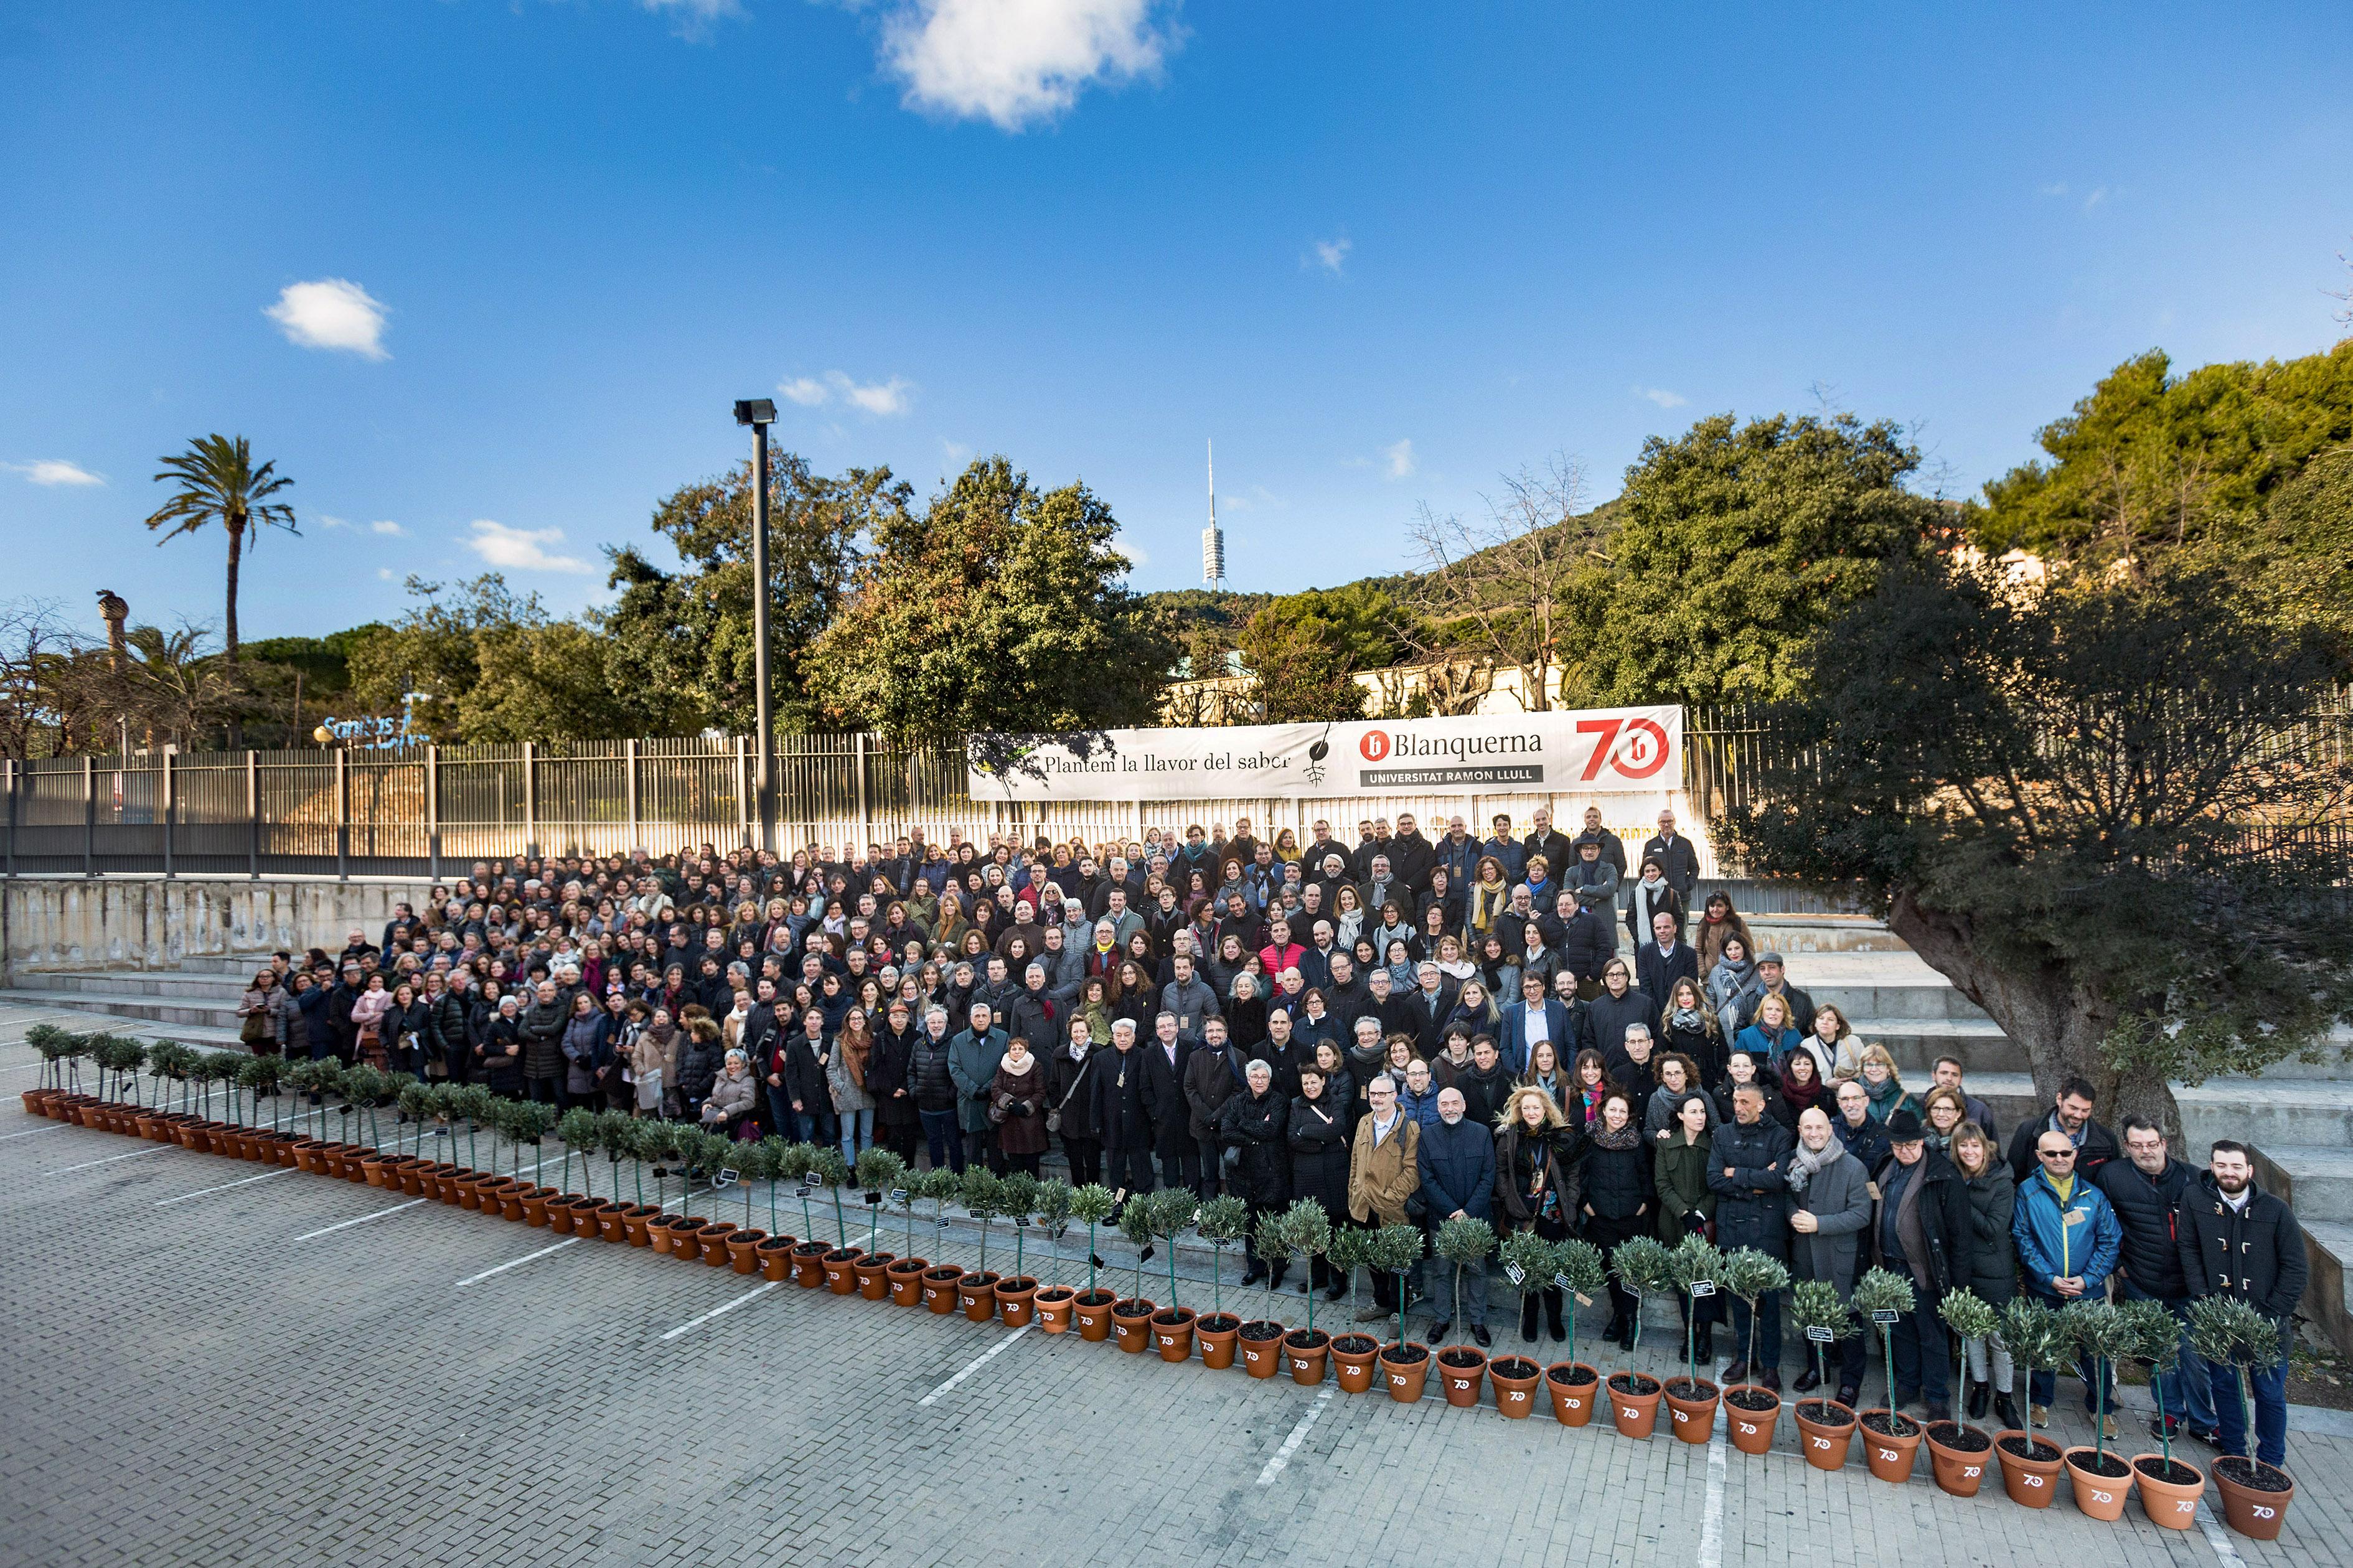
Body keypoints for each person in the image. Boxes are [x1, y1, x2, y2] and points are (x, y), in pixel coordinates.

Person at [2178, 1139, 2309, 1470]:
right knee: (2224, 1386)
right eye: (2221, 1165)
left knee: (2270, 1393)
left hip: (2268, 1321)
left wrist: (2273, 1312)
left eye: (2236, 1166)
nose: (2229, 1172)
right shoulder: (2196, 1199)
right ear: (2212, 1166)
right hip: (2218, 1319)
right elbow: (2189, 1250)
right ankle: (2234, 1451)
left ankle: (2270, 1460)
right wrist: (2205, 1299)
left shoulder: (2276, 1210)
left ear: (2249, 1170)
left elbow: (2296, 1267)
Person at [2013, 1125, 2123, 1434]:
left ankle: (2101, 1408)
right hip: (2046, 1289)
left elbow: (2110, 1240)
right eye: (2052, 1153)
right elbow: (2022, 1237)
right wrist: (2048, 1278)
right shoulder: (2027, 1192)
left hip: (2087, 1291)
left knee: (2094, 1351)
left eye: (2065, 1152)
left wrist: (2088, 1279)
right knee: (2045, 1346)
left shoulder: (2094, 1195)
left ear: (2075, 1154)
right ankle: (2040, 1401)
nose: (2060, 1158)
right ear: (2039, 1156)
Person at [1871, 1110, 1973, 1420]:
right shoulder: (1884, 1167)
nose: (1905, 1151)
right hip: (1890, 1266)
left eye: (1911, 1145)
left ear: (1922, 1140)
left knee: (1932, 1334)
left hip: (1925, 1270)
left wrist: (1958, 1284)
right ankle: (1907, 1385)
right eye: (1899, 1146)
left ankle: (1937, 1396)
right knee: (1900, 1331)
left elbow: (1960, 1235)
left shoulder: (1943, 1174)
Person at [1787, 1106, 1874, 1406]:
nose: (1814, 1133)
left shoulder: (1853, 1167)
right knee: (1812, 1316)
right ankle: (1817, 1368)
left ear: (1830, 1130)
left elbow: (1862, 1215)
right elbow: (1787, 1198)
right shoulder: (1796, 1162)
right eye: (1808, 1128)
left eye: (1819, 1128)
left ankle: (1850, 1382)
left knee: (1848, 1322)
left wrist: (1819, 1224)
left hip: (1839, 1258)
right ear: (1800, 1131)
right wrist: (1794, 1216)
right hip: (1806, 1256)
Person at [1711, 1082, 1796, 1387]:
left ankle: (1770, 1365)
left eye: (1745, 1102)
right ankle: (1745, 1357)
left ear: (1761, 1105)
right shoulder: (1722, 1134)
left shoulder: (1780, 1136)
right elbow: (1714, 1179)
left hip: (1767, 1230)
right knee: (1738, 1298)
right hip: (1732, 1227)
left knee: (1769, 1301)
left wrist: (1736, 1174)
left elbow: (1778, 1180)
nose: (1739, 1107)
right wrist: (1755, 1185)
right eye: (1736, 1101)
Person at [1495, 1085, 1581, 1342]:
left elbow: (1574, 1173)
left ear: (1546, 1109)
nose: (1531, 1112)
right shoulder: (1510, 1137)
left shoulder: (1561, 1136)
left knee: (1553, 1270)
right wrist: (1508, 1198)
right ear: (1519, 1111)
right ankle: (1530, 1319)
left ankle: (1555, 1320)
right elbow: (1500, 1171)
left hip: (1553, 1213)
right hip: (1521, 1212)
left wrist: (1571, 1201)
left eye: (1536, 1107)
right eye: (1526, 1108)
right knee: (1526, 1269)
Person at [1951, 1122, 2022, 1431]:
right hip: (1964, 1269)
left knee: (2000, 1339)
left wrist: (1961, 1199)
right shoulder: (1954, 1176)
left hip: (1996, 1272)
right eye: (1963, 1146)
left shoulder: (2002, 1182)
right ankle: (1980, 1388)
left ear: (1985, 1148)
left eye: (1975, 1146)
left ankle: (2005, 1396)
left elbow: (1994, 1227)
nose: (1969, 1152)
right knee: (1972, 1335)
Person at [1416, 1086, 1496, 1346]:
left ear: (1463, 1105)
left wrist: (1469, 1212)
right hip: (1441, 1219)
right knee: (1441, 1272)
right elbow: (1427, 1180)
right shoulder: (1428, 1137)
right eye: (1444, 1104)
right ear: (1438, 1108)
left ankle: (1477, 1321)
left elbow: (1488, 1177)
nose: (1449, 1108)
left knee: (1477, 1271)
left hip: (1475, 1219)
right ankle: (1441, 1319)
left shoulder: (1481, 1133)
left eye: (1454, 1103)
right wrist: (1452, 1210)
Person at [1580, 1090, 1654, 1350]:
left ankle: (1629, 1321)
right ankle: (1619, 1316)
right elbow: (1581, 1173)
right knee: (1612, 1271)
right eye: (1613, 1110)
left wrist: (1644, 1203)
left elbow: (1646, 1174)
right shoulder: (1591, 1138)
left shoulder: (1635, 1141)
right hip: (1601, 1217)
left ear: (1629, 1115)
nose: (1617, 1116)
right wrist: (1586, 1205)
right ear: (1604, 1111)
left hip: (1631, 1217)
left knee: (1629, 1272)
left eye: (1623, 1111)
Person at [1348, 1073, 1422, 1322]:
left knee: (1398, 1263)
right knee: (1373, 1259)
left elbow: (1412, 1172)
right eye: (1373, 1094)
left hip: (1393, 1209)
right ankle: (1380, 1302)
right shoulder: (1364, 1122)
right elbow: (1355, 1162)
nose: (1376, 1099)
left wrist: (1391, 1197)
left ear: (1394, 1096)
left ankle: (1398, 1311)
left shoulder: (1409, 1128)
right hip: (1364, 1206)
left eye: (1382, 1094)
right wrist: (1353, 1191)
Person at [1654, 1092, 1717, 1359]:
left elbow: (1716, 1185)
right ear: (1680, 1116)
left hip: (1704, 1225)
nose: (1700, 1117)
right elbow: (1662, 1184)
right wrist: (1684, 1212)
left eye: (1702, 1112)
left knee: (1705, 1280)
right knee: (1682, 1281)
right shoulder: (1666, 1144)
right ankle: (1689, 1332)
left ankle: (1706, 1336)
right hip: (1675, 1222)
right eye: (1693, 1112)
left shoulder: (1714, 1144)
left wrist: (1700, 1213)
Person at [1221, 1059, 1292, 1286]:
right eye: (1255, 1077)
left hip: (1273, 1173)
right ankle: (1255, 1267)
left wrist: (1242, 1124)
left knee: (1274, 1223)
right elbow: (1226, 1131)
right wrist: (1254, 1133)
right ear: (1248, 1079)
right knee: (1251, 1224)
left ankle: (1277, 1269)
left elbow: (1271, 1130)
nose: (1259, 1081)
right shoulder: (1237, 1102)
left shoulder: (1279, 1101)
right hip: (1244, 1175)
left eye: (1263, 1077)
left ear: (1269, 1079)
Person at [1289, 1064, 1353, 1301]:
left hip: (1333, 1176)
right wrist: (1319, 1139)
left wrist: (1306, 1131)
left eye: (1314, 1082)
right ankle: (1318, 1276)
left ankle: (1338, 1281)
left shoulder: (1334, 1102)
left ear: (1323, 1081)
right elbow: (1292, 1138)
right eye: (1306, 1083)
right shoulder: (1296, 1104)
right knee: (1312, 1227)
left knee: (1335, 1229)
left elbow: (1337, 1130)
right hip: (1307, 1177)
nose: (1310, 1087)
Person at [2005, 1076, 2118, 1185]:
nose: (2078, 1115)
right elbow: (2013, 1177)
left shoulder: (2106, 1139)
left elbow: (2112, 1181)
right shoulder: (2029, 1131)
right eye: (2073, 1108)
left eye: (2085, 1110)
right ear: (2059, 1100)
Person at [1182, 1015, 1249, 1199]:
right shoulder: (1195, 1057)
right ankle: (1210, 1214)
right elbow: (1189, 1088)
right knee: (1210, 1174)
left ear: (1226, 1033)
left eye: (1219, 1030)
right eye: (1210, 1031)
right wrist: (1207, 1116)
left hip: (1228, 1126)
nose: (1215, 1035)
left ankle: (1235, 1212)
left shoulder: (1239, 1056)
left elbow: (1240, 1090)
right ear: (1205, 1034)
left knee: (1234, 1173)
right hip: (1202, 1126)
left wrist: (1217, 1116)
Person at [947, 1000, 1008, 1175]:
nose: (981, 1020)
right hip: (970, 1101)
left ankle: (998, 1182)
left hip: (993, 1101)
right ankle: (975, 1183)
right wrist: (973, 1089)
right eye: (977, 1016)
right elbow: (954, 1068)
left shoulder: (1003, 1038)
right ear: (971, 1019)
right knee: (973, 1147)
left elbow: (1005, 1065)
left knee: (995, 1146)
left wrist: (990, 1088)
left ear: (990, 1018)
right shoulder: (958, 1041)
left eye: (984, 1016)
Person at [1094, 1018, 1153, 1196]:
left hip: (1139, 1123)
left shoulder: (1145, 1056)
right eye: (1118, 1035)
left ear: (1134, 1037)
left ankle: (1142, 1204)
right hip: (1112, 1124)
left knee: (1142, 1167)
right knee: (1116, 1169)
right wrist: (1095, 1122)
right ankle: (1119, 1204)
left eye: (1127, 1035)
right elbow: (1096, 1092)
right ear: (1113, 1037)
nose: (1123, 1039)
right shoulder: (1101, 1058)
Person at [1046, 1016, 1105, 1188]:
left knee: (1093, 1159)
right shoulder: (1060, 1054)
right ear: (1070, 1033)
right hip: (1069, 1116)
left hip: (1091, 1115)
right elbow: (1054, 1083)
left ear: (1089, 1032)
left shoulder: (1099, 1053)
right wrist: (1058, 1104)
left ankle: (1094, 1195)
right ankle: (1079, 1194)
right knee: (1074, 1160)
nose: (1079, 1035)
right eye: (1075, 1031)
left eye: (1082, 1031)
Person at [989, 1034, 1050, 1177]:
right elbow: (995, 1088)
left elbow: (1041, 1092)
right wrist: (1009, 1103)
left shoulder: (1035, 1067)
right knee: (1015, 1163)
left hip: (1030, 1122)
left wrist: (1026, 1107)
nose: (1017, 1051)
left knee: (1031, 1163)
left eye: (1020, 1048)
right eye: (1013, 1049)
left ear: (1026, 1051)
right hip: (1009, 1121)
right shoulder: (1003, 1067)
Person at [1498, 969, 1570, 1076]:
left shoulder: (1559, 1009)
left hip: (1557, 1076)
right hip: (1524, 1075)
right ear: (1523, 990)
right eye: (1528, 987)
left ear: (1544, 987)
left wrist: (1567, 1074)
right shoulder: (1511, 1012)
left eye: (1536, 986)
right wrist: (1517, 1075)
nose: (1532, 991)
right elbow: (1505, 1048)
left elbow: (1570, 1044)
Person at [829, 1008, 878, 1160]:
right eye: (853, 1019)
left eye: (859, 1018)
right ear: (848, 1023)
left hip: (868, 1093)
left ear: (865, 1021)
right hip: (848, 1094)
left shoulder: (873, 1039)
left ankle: (866, 1168)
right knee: (848, 1135)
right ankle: (850, 1168)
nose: (856, 1021)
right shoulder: (840, 1041)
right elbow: (831, 1068)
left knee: (867, 1135)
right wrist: (841, 1087)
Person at [1633, 908, 1697, 1006]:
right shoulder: (1644, 953)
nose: (1662, 931)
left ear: (1674, 928)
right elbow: (1645, 986)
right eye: (1658, 928)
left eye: (1666, 927)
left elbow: (1690, 987)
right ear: (1654, 930)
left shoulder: (1689, 954)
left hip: (1681, 1009)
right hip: (1654, 1011)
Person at [1640, 809, 1701, 902]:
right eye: (1663, 822)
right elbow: (1644, 870)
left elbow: (1694, 868)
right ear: (1658, 823)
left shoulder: (1685, 844)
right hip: (1658, 896)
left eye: (1669, 821)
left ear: (1674, 821)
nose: (1666, 825)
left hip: (1681, 897)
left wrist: (1687, 885)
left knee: (1682, 917)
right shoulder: (1651, 845)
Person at [701, 1046, 759, 1138]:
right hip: (716, 1121)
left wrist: (727, 1111)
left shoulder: (748, 1080)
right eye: (729, 1063)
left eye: (736, 1063)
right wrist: (707, 1103)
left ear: (743, 1064)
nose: (732, 1067)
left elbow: (749, 1103)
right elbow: (715, 1096)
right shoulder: (720, 1077)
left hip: (735, 1124)